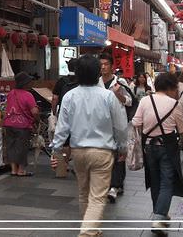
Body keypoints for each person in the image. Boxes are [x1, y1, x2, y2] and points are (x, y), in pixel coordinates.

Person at [50, 55, 127, 236]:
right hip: (103, 152)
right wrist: (122, 148)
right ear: (96, 72)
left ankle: (92, 230)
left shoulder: (69, 96)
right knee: (98, 196)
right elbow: (121, 126)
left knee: (84, 193)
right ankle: (87, 232)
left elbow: (62, 128)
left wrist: (56, 150)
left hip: (78, 152)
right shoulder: (108, 96)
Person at [132, 72, 183, 235]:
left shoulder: (145, 100)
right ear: (170, 87)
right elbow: (182, 129)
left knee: (155, 181)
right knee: (167, 181)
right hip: (168, 146)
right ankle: (158, 217)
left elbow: (136, 123)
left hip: (149, 147)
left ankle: (160, 213)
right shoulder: (174, 104)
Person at [98, 52, 133, 203]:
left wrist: (118, 94)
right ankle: (107, 184)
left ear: (112, 66)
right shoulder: (94, 82)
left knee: (119, 152)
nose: (103, 67)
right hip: (99, 124)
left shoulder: (121, 83)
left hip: (117, 123)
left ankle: (115, 185)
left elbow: (130, 101)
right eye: (101, 64)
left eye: (106, 64)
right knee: (104, 154)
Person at [3, 71, 40, 176]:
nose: (30, 83)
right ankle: (21, 170)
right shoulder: (28, 95)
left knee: (11, 147)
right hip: (22, 125)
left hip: (9, 123)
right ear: (25, 83)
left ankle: (13, 170)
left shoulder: (11, 93)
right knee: (22, 147)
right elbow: (35, 112)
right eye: (29, 81)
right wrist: (37, 120)